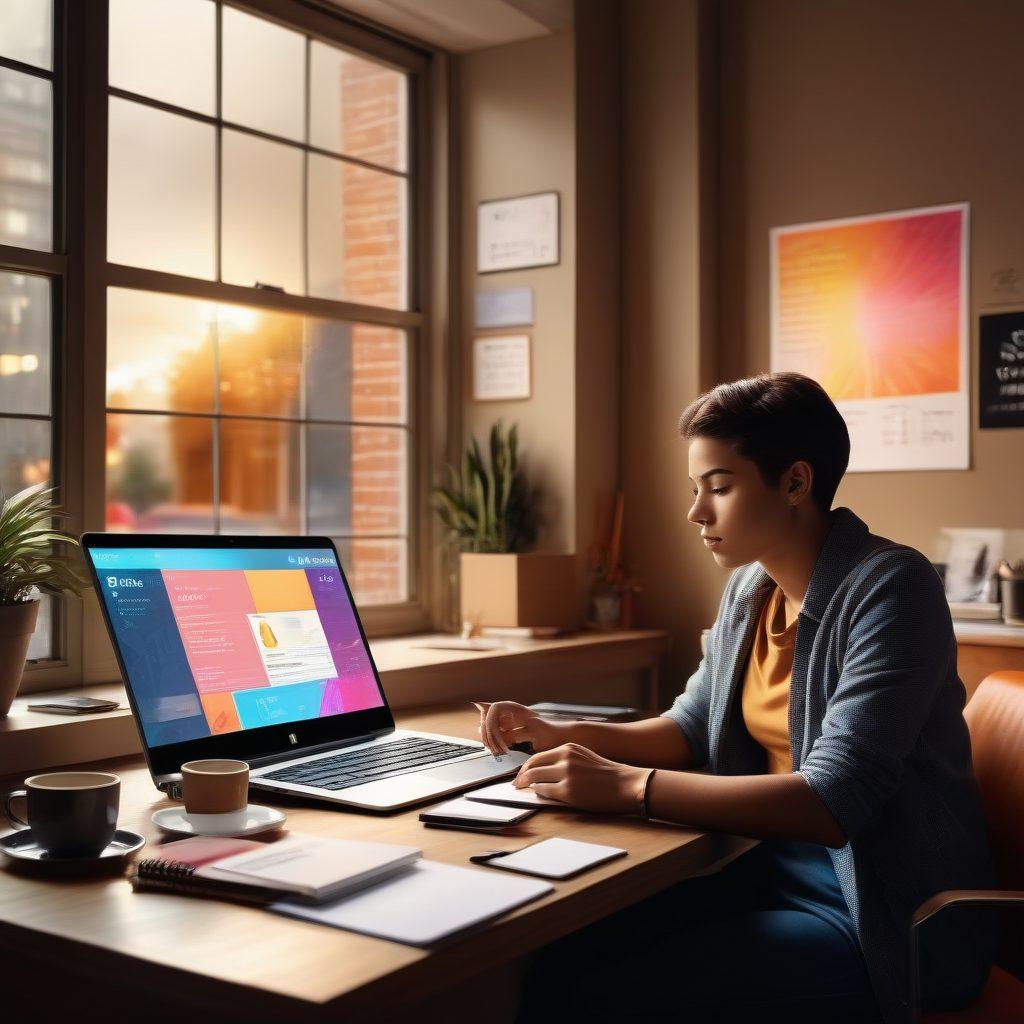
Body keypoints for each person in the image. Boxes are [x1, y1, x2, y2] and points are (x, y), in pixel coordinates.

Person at [476, 373, 996, 1024]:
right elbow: (690, 727)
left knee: (596, 996)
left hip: (883, 921)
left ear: (796, 483)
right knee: (557, 960)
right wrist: (558, 731)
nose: (697, 512)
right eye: (696, 490)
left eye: (719, 487)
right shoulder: (752, 590)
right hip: (777, 881)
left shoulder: (892, 589)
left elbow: (837, 799)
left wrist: (629, 787)